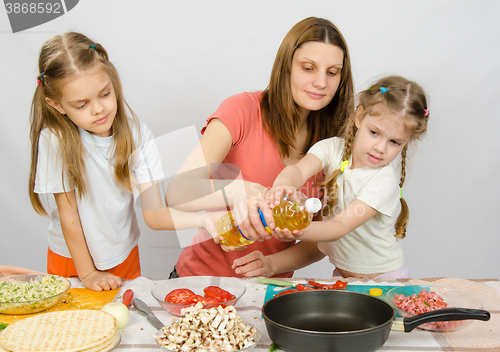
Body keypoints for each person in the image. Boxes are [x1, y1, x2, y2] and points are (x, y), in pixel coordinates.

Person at [28, 32, 219, 291]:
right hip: (72, 259)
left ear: (113, 83)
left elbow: (154, 214)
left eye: (105, 94)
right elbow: (69, 214)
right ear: (57, 104)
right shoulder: (55, 140)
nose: (98, 109)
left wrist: (203, 221)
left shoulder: (137, 133)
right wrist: (88, 274)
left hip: (123, 255)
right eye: (82, 104)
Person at [169, 17, 354, 278]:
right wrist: (243, 191)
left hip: (266, 294)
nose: (321, 82)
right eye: (308, 68)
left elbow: (321, 240)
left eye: (332, 72)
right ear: (286, 67)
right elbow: (178, 191)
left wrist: (271, 265)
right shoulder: (241, 110)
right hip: (199, 282)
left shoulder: (334, 146)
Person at [267, 75, 429, 279]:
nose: (380, 148)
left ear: (406, 142)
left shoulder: (383, 181)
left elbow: (340, 226)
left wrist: (298, 230)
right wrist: (283, 184)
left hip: (385, 279)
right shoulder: (331, 148)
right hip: (344, 277)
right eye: (374, 132)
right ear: (359, 117)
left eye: (395, 142)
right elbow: (298, 170)